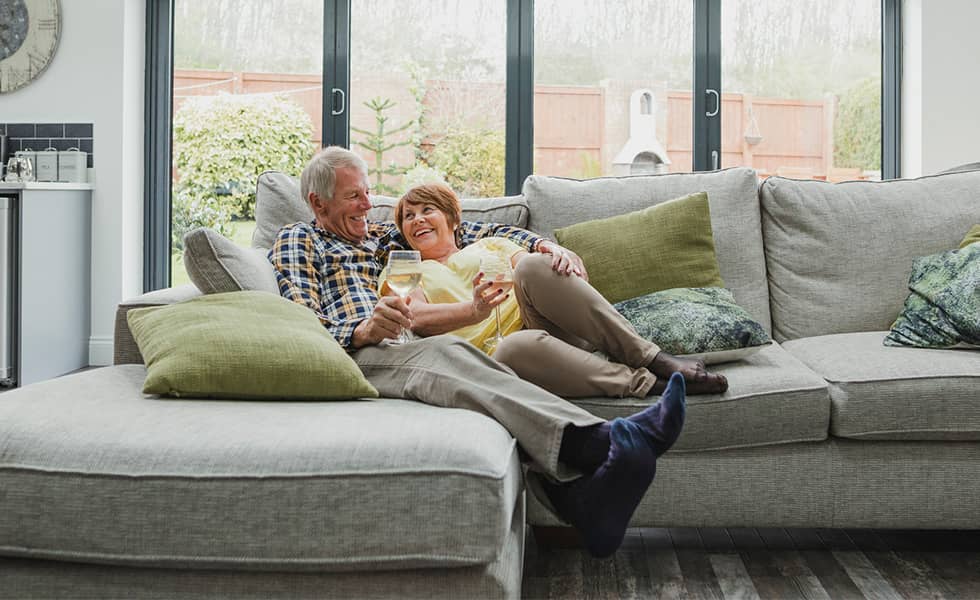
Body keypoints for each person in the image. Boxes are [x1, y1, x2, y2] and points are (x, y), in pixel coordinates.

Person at [270, 146, 688, 558]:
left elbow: (465, 232)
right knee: (447, 353)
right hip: (358, 353)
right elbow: (300, 319)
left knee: (455, 354)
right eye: (354, 196)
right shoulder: (300, 239)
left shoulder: (381, 235)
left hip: (406, 343)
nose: (368, 204)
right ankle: (605, 442)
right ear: (317, 203)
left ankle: (577, 494)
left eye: (366, 192)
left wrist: (542, 246)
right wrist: (361, 330)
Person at [383, 183, 729, 398]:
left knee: (534, 264)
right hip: (501, 358)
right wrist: (474, 311)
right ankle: (647, 383)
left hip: (550, 326)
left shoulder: (491, 245)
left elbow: (535, 273)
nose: (416, 220)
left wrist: (557, 257)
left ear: (453, 221)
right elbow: (416, 318)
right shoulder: (406, 267)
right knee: (514, 346)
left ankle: (654, 359)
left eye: (427, 210)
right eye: (408, 216)